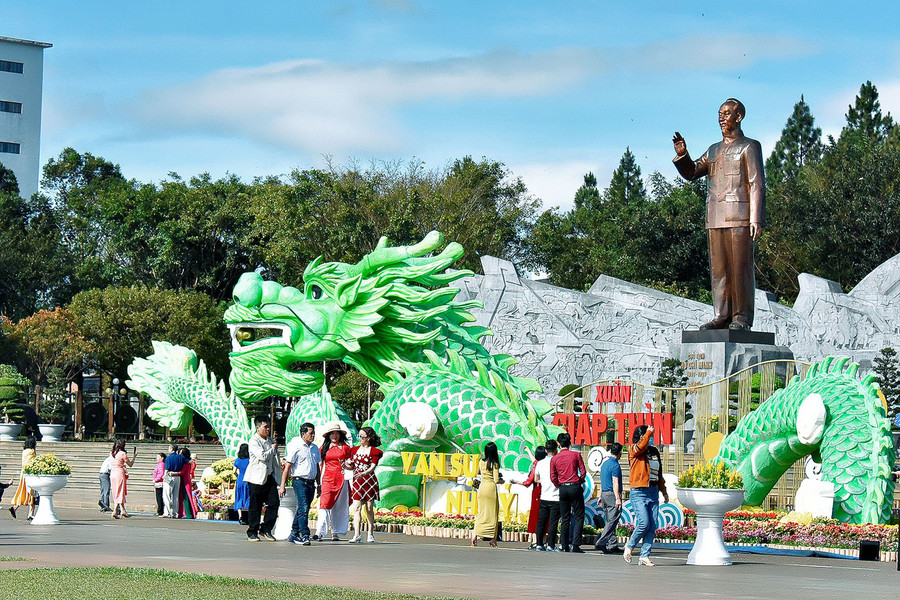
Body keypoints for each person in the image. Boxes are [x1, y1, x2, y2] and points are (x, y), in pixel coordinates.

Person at [673, 98, 765, 331]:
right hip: (715, 216)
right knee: (720, 271)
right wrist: (683, 156)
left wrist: (755, 218)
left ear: (739, 116)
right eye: (719, 114)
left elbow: (756, 183)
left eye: (726, 113)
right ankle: (722, 315)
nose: (722, 118)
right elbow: (692, 171)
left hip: (740, 216)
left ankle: (741, 317)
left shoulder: (749, 146)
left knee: (739, 269)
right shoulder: (714, 150)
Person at [624, 425, 667, 566]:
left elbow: (658, 474)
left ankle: (644, 555)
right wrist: (648, 432)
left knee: (652, 525)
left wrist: (664, 492)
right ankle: (630, 546)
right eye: (648, 435)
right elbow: (640, 446)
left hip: (653, 490)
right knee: (644, 523)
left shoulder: (654, 451)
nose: (650, 437)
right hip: (639, 491)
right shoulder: (633, 449)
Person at [280, 423, 320, 546]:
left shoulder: (314, 448)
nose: (312, 435)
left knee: (304, 508)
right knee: (303, 508)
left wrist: (319, 484)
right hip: (299, 481)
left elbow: (317, 467)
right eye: (310, 433)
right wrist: (282, 485)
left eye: (313, 433)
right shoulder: (296, 446)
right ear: (303, 434)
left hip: (311, 482)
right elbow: (287, 467)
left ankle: (293, 533)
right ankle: (304, 534)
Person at [315, 422, 352, 542]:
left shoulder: (346, 448)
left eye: (337, 433)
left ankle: (336, 532)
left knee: (340, 505)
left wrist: (349, 465)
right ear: (328, 435)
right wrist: (318, 482)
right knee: (324, 504)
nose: (334, 436)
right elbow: (318, 463)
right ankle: (319, 531)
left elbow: (351, 462)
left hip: (342, 479)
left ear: (340, 435)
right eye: (332, 433)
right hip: (327, 479)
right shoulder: (323, 448)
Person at [245, 416, 280, 542]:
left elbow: (275, 458)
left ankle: (266, 529)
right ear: (257, 427)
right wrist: (273, 449)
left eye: (268, 427)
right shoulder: (254, 441)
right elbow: (263, 456)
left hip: (269, 476)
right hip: (256, 477)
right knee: (256, 505)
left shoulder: (270, 440)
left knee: (274, 502)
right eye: (265, 427)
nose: (268, 429)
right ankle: (252, 531)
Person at [550, 432, 586, 553]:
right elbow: (583, 472)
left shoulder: (555, 458)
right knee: (579, 515)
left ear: (558, 444)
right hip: (575, 486)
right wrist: (579, 481)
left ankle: (564, 545)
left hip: (563, 488)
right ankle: (576, 544)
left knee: (565, 517)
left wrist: (558, 484)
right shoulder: (576, 455)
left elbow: (553, 476)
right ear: (570, 443)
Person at [347, 426, 383, 544]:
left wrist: (364, 473)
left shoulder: (374, 451)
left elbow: (373, 466)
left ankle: (370, 532)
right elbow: (351, 465)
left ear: (368, 438)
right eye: (359, 436)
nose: (360, 438)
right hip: (357, 480)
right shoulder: (354, 450)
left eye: (362, 436)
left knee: (368, 508)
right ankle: (357, 534)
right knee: (356, 507)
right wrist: (347, 464)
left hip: (369, 481)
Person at [510, 446, 545, 549]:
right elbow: (535, 460)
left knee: (535, 517)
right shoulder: (547, 465)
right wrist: (528, 451)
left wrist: (516, 482)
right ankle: (544, 541)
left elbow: (527, 482)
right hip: (547, 493)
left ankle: (534, 541)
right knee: (545, 517)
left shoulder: (536, 466)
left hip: (537, 493)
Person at [594, 442, 624, 553]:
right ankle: (601, 542)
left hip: (605, 493)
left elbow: (603, 480)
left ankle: (612, 543)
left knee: (609, 519)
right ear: (619, 453)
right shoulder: (615, 465)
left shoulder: (605, 464)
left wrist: (600, 495)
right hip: (612, 494)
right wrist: (618, 498)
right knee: (613, 519)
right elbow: (615, 482)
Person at [471, 441, 502, 548]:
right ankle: (493, 539)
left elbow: (477, 473)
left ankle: (475, 535)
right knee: (493, 514)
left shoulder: (481, 462)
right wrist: (503, 481)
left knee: (481, 512)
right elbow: (496, 479)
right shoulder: (495, 463)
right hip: (491, 488)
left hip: (482, 487)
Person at [534, 439, 561, 552]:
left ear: (545, 450)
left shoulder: (540, 463)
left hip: (544, 496)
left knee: (541, 521)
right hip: (556, 496)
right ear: (555, 450)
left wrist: (544, 481)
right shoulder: (558, 462)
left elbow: (536, 479)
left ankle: (539, 544)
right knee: (553, 522)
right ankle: (551, 545)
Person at [10, 437, 36, 520]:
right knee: (32, 493)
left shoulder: (24, 451)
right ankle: (31, 513)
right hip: (29, 474)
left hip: (23, 474)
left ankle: (15, 507)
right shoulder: (32, 452)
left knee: (23, 491)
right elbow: (32, 463)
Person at [109, 438, 136, 519]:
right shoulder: (122, 454)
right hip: (119, 473)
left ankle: (122, 510)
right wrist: (134, 456)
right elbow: (130, 464)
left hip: (113, 473)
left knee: (116, 491)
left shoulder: (112, 453)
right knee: (120, 491)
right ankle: (115, 510)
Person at [162, 443, 186, 518]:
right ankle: (175, 513)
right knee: (175, 496)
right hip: (178, 477)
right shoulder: (180, 457)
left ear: (172, 449)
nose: (168, 450)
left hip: (170, 476)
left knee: (167, 496)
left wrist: (165, 478)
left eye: (169, 448)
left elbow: (166, 470)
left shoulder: (168, 458)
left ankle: (167, 512)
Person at [178, 448, 200, 519]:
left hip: (185, 481)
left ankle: (188, 513)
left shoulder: (186, 463)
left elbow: (182, 472)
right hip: (186, 480)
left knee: (186, 497)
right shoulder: (188, 462)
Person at [233, 443, 251, 525]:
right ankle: (248, 516)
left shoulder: (237, 460)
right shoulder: (250, 460)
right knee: (248, 497)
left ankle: (240, 517)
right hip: (248, 480)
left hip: (240, 480)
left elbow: (234, 471)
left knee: (239, 497)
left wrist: (238, 476)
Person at [152, 453, 166, 517]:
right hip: (159, 482)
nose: (157, 458)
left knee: (159, 497)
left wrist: (156, 479)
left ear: (162, 458)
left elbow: (161, 473)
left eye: (158, 457)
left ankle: (160, 511)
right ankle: (160, 510)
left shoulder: (161, 465)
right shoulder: (160, 464)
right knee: (159, 497)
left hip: (160, 483)